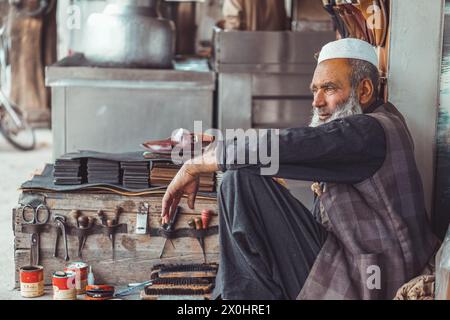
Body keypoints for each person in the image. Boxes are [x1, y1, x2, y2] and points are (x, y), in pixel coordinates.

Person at [160, 38, 438, 300]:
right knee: (242, 176)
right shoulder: (378, 125)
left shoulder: (369, 131)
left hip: (366, 283)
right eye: (314, 90)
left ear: (363, 90)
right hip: (353, 263)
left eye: (329, 88)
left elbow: (293, 144)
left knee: (238, 180)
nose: (317, 101)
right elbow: (298, 148)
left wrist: (197, 164)